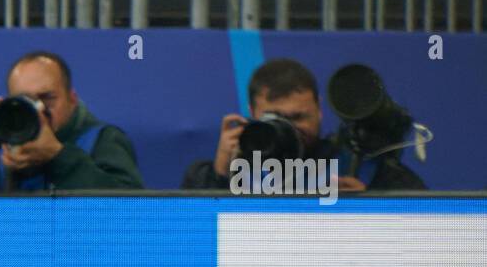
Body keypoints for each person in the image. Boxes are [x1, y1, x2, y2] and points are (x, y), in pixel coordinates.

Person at [181, 58, 426, 191]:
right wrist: (218, 178)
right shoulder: (220, 173)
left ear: (319, 109)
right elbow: (187, 251)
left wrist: (367, 207)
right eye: (275, 118)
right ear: (252, 112)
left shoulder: (358, 169)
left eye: (298, 118)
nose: (290, 130)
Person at [0, 50, 144, 191]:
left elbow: (128, 212)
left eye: (47, 98)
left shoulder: (101, 141)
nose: (38, 110)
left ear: (72, 99)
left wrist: (57, 156)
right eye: (25, 101)